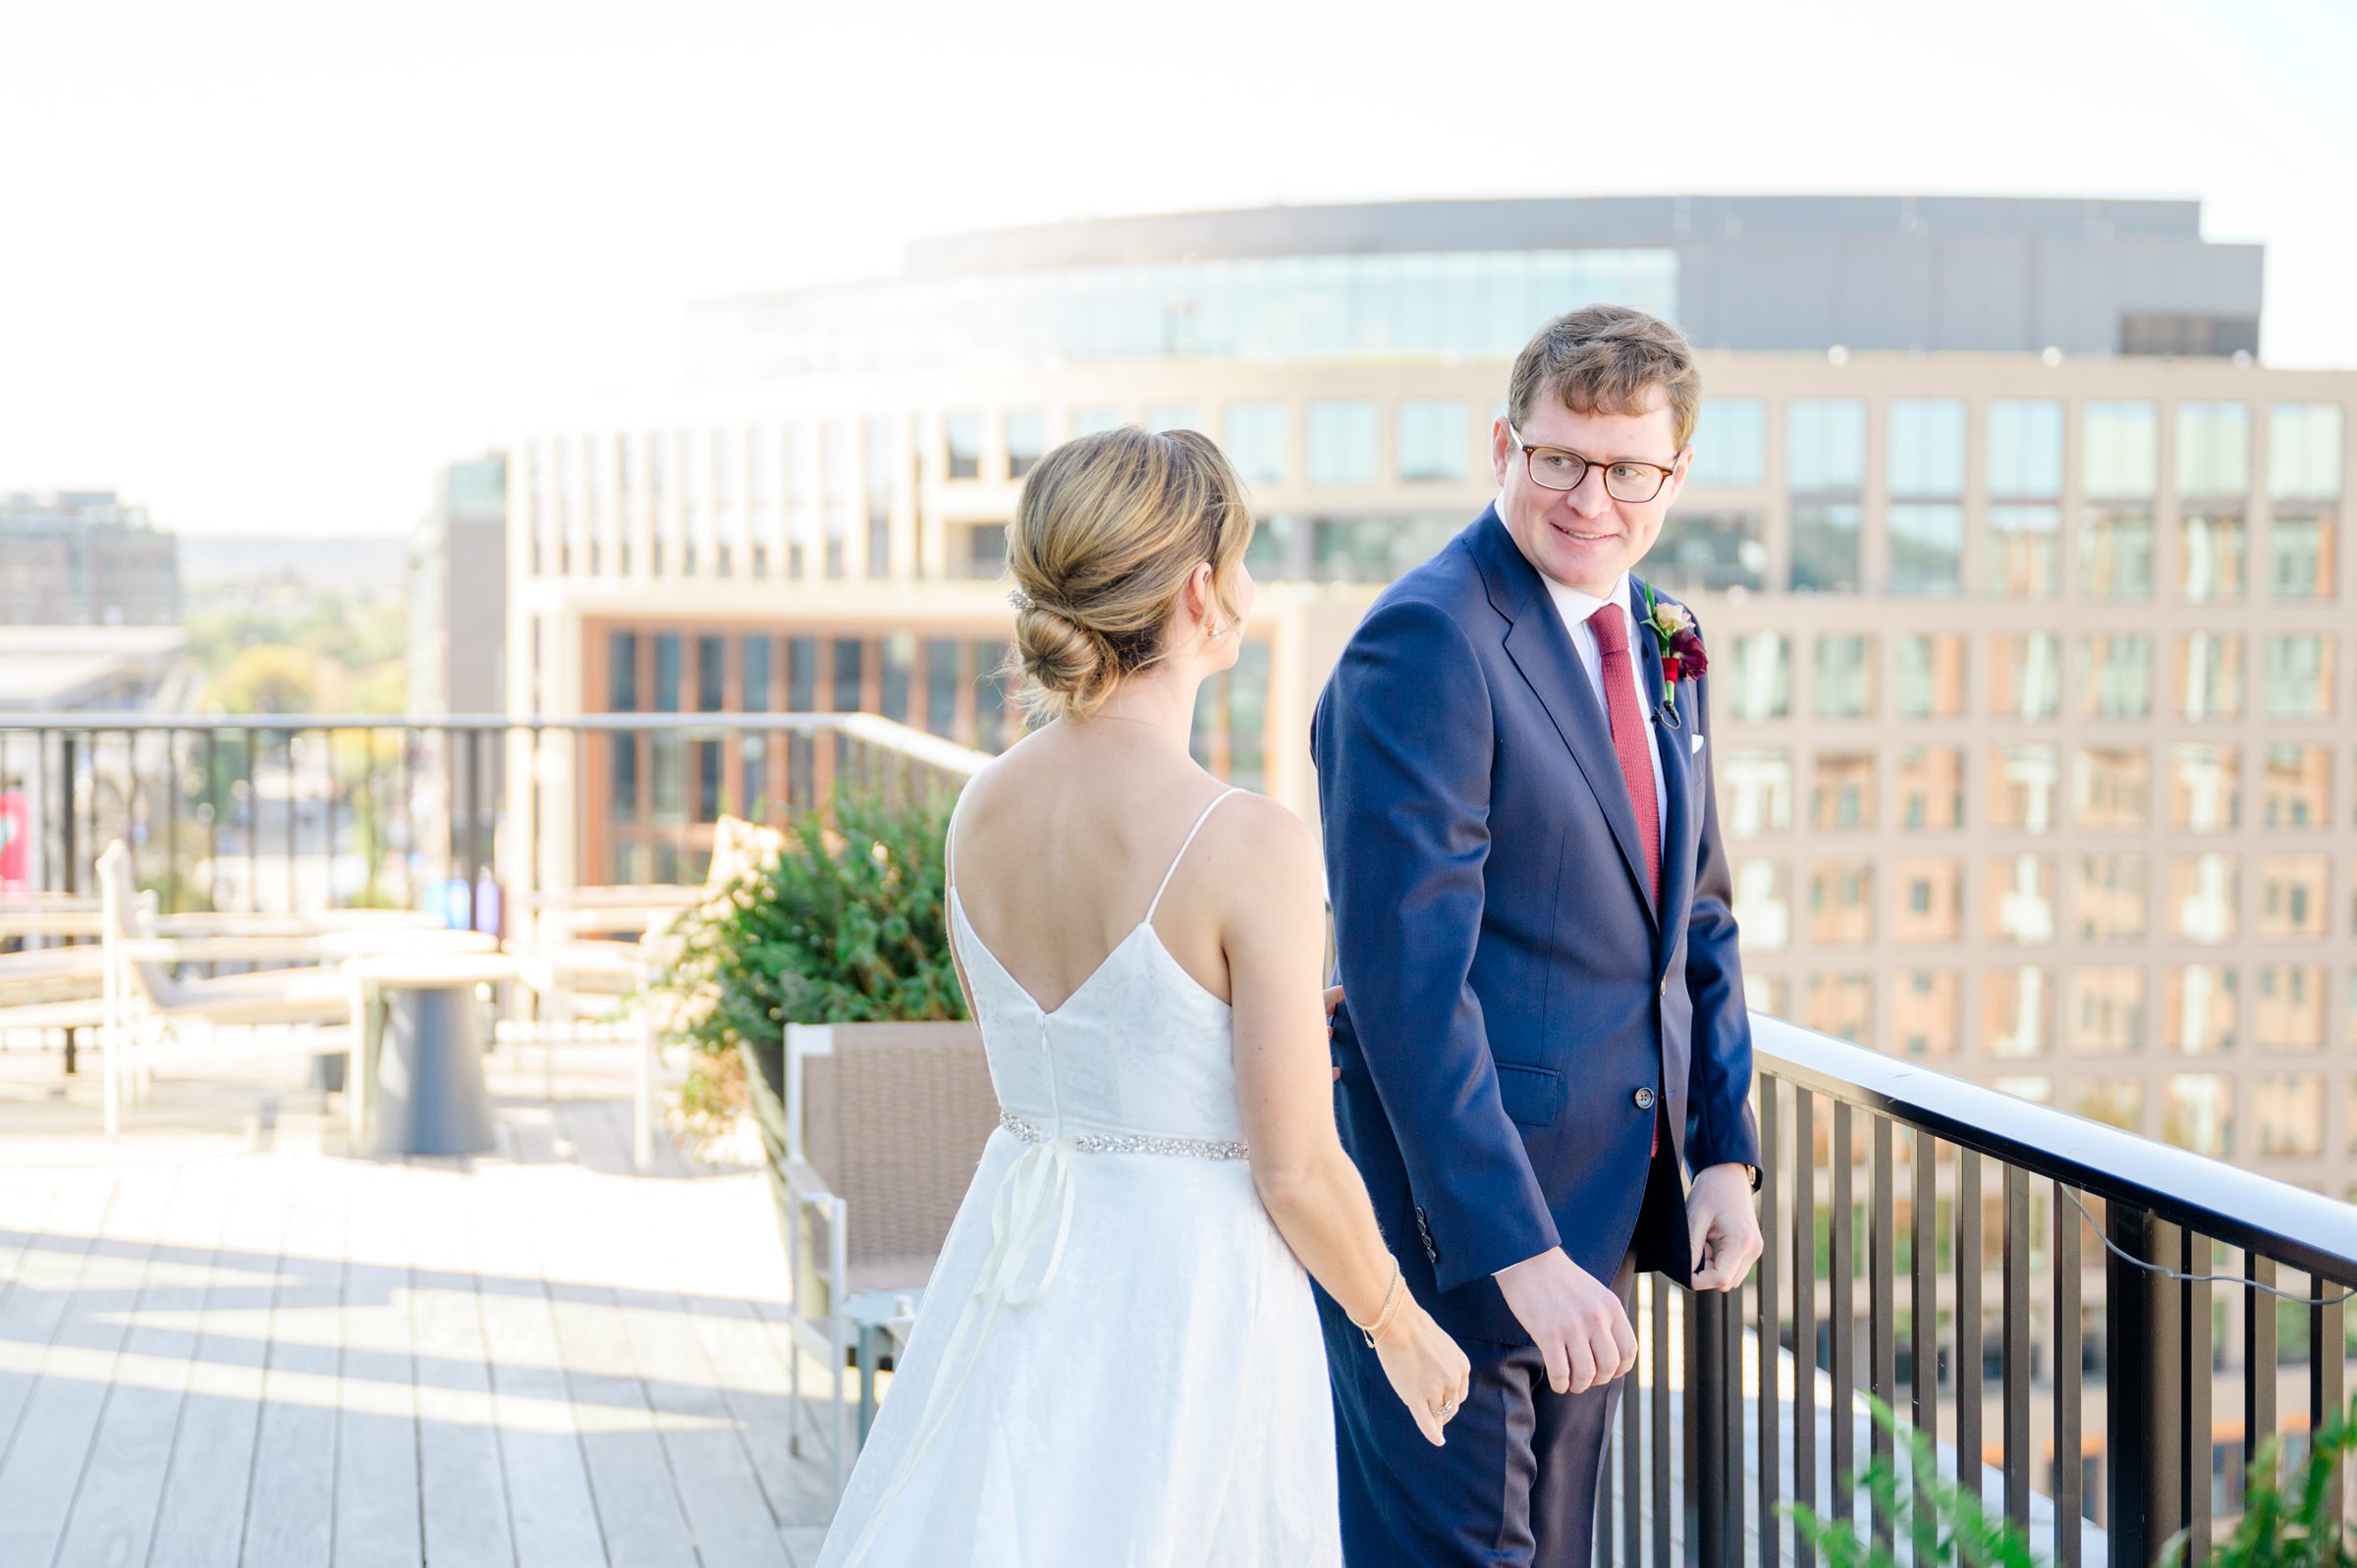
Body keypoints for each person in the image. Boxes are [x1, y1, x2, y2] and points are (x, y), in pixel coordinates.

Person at [818, 426, 1469, 1567]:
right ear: (1200, 591)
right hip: (1185, 1304)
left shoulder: (982, 811)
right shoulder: (1247, 840)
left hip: (1016, 1273)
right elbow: (1298, 1170)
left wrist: (1219, 1041)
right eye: (1247, 556)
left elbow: (1064, 1054)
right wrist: (1401, 1327)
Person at [1311, 304, 1766, 1566]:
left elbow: (1701, 914)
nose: (1591, 498)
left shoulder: (1667, 637)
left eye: (1628, 469)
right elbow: (1408, 989)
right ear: (1502, 445)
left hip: (1604, 1209)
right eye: (1560, 457)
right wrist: (1517, 1251)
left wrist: (1722, 1149)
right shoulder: (1428, 642)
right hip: (1453, 1237)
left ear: (1674, 475)